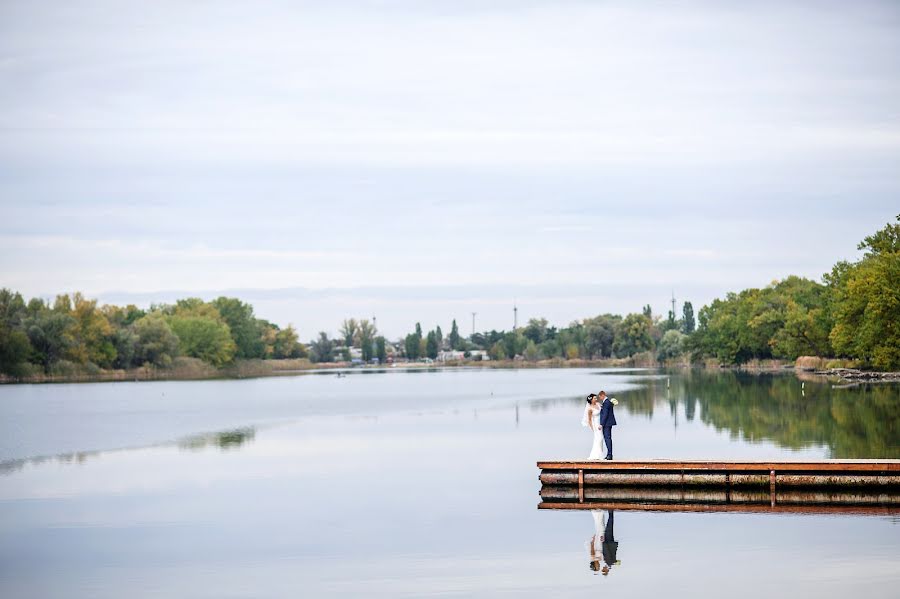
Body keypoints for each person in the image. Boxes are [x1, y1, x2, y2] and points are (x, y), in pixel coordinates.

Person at [582, 394, 604, 459]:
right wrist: (592, 428)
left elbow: (604, 409)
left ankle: (599, 454)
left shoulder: (598, 404)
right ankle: (597, 455)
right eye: (595, 398)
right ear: (591, 400)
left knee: (601, 439)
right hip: (595, 425)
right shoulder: (590, 409)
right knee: (599, 438)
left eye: (596, 398)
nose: (596, 399)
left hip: (600, 423)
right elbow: (589, 420)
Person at [598, 390, 617, 460]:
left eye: (600, 397)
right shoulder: (607, 402)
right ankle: (609, 454)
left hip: (607, 424)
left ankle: (610, 455)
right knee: (608, 438)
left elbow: (605, 414)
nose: (600, 398)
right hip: (609, 423)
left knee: (607, 438)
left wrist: (601, 424)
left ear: (602, 395)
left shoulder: (606, 403)